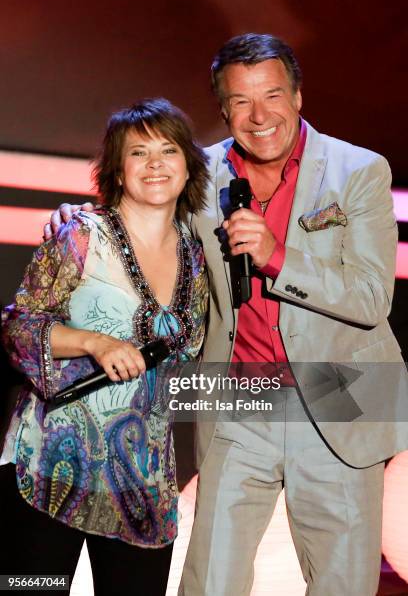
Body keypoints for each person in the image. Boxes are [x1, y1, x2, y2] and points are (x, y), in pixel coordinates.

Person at [43, 34, 407, 596]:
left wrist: (277, 256)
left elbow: (369, 297)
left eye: (273, 95)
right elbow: (141, 211)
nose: (259, 115)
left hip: (341, 389)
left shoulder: (359, 170)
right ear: (223, 108)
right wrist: (81, 219)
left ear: (298, 96)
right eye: (241, 101)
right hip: (237, 392)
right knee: (209, 579)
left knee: (343, 583)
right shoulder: (199, 172)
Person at [1, 98, 209, 596]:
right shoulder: (80, 235)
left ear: (188, 167)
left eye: (168, 150)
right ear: (117, 170)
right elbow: (17, 327)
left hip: (144, 485)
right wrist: (93, 341)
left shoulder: (200, 256)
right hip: (51, 468)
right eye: (139, 153)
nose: (155, 163)